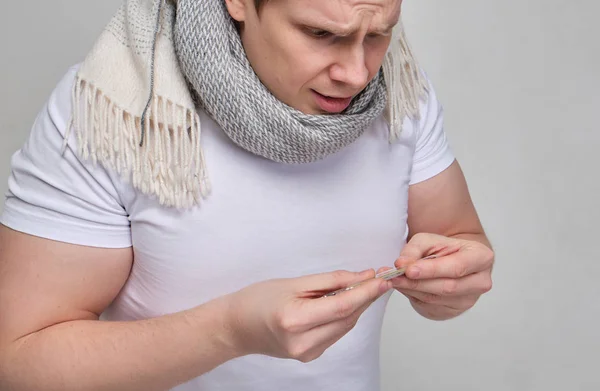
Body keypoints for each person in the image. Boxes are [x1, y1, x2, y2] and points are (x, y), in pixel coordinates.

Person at [0, 0, 494, 390]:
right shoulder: (115, 107)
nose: (358, 74)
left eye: (379, 33)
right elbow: (18, 363)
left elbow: (456, 237)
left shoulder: (401, 92)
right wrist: (229, 333)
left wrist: (450, 287)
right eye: (322, 34)